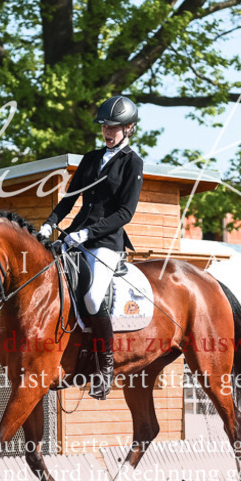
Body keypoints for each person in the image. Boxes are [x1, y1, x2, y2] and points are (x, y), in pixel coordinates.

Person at [38, 96, 144, 400]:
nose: (107, 132)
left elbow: (125, 214)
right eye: (104, 127)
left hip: (106, 243)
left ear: (129, 128)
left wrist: (86, 234)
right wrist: (49, 224)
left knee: (92, 294)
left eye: (113, 127)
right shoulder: (90, 158)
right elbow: (70, 199)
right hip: (74, 236)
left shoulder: (132, 162)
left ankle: (105, 365)